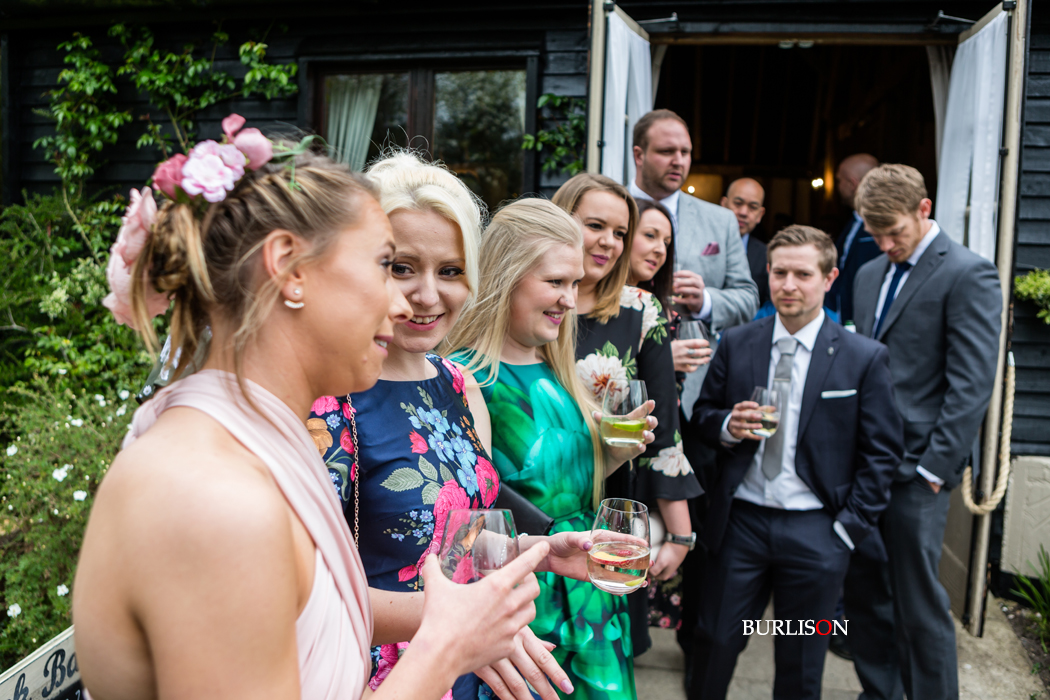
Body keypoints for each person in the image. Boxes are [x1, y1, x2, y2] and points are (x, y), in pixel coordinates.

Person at [73, 130, 551, 700]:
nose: (408, 303)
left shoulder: (256, 444)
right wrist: (445, 647)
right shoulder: (212, 494)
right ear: (290, 270)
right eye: (386, 265)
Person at [306, 152, 589, 700]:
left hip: (470, 665)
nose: (429, 295)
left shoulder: (458, 384)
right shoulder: (327, 399)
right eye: (403, 267)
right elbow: (307, 600)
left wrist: (543, 550)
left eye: (451, 270)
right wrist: (460, 624)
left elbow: (459, 540)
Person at [448, 198, 658, 700]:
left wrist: (614, 454)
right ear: (506, 276)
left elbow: (562, 481)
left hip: (592, 592)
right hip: (524, 606)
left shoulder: (561, 373)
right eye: (555, 282)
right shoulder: (463, 379)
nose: (569, 299)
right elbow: (459, 523)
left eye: (575, 284)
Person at [688, 225, 902, 700]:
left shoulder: (863, 358)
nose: (788, 284)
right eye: (779, 272)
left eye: (802, 274)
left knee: (801, 655)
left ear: (830, 278)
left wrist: (846, 530)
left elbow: (882, 453)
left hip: (817, 533)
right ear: (767, 273)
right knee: (715, 640)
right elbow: (702, 417)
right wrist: (727, 425)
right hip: (741, 524)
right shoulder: (740, 342)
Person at [847, 164, 1002, 700]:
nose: (885, 243)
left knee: (919, 605)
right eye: (875, 233)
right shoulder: (867, 275)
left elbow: (972, 385)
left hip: (919, 475)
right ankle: (879, 692)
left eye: (895, 231)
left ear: (924, 209)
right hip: (862, 470)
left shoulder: (969, 273)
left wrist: (936, 470)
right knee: (866, 596)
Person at [553, 173, 704, 657]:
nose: (609, 243)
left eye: (620, 232)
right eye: (596, 225)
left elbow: (665, 434)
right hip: (532, 502)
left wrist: (680, 535)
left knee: (600, 656)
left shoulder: (642, 310)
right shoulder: (526, 301)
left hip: (610, 507)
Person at [627, 108, 759, 422]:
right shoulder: (610, 210)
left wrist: (707, 301)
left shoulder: (721, 220)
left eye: (685, 152)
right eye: (666, 151)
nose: (679, 160)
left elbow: (749, 298)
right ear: (639, 154)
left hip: (698, 393)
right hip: (623, 385)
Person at [627, 198, 712, 376]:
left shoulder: (660, 308)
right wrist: (662, 359)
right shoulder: (596, 302)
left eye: (666, 243)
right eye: (650, 235)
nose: (661, 250)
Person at [827, 153, 881, 324]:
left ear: (852, 184)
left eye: (838, 181)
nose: (837, 186)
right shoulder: (854, 222)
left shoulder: (882, 228)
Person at [720, 178, 769, 307]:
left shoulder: (766, 256)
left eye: (753, 207)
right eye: (738, 203)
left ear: (760, 214)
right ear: (723, 204)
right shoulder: (701, 244)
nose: (743, 212)